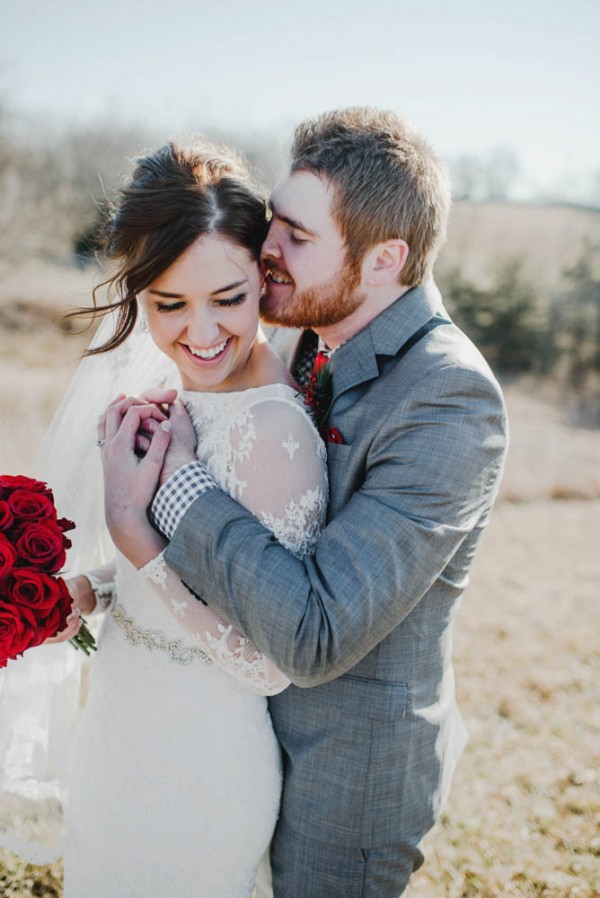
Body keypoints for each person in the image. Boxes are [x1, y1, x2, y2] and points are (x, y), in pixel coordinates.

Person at [105, 107, 509, 898]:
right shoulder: (301, 334)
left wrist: (178, 490)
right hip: (223, 740)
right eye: (274, 222)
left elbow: (319, 632)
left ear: (385, 258)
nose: (268, 250)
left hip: (342, 783)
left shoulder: (450, 398)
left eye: (296, 235)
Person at [1, 139, 328, 897]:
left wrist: (133, 533)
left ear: (265, 281)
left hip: (203, 767)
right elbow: (196, 569)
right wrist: (92, 591)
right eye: (168, 305)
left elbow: (270, 665)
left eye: (228, 298)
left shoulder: (274, 432)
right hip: (118, 727)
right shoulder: (186, 397)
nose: (201, 334)